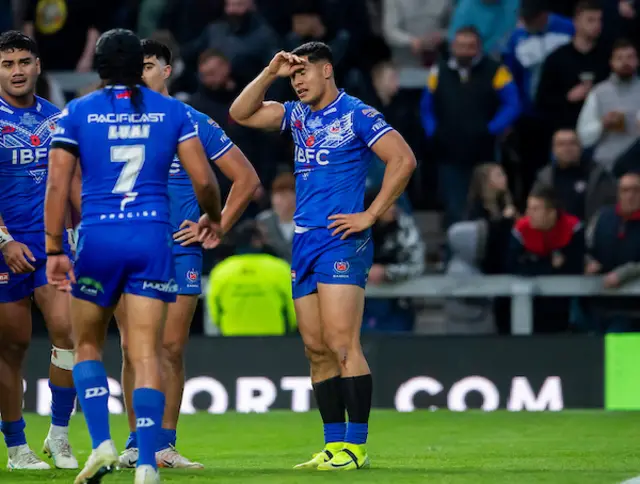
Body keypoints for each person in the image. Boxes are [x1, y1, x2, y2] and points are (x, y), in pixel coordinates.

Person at [45, 28, 223, 484]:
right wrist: (212, 217)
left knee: (88, 344)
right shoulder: (172, 112)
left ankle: (102, 442)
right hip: (152, 241)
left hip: (100, 239)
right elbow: (204, 180)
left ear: (100, 67)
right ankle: (147, 461)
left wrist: (53, 248)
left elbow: (58, 185)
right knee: (147, 354)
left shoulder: (77, 113)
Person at [229, 41, 417, 470]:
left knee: (342, 342)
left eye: (302, 74)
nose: (296, 83)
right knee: (316, 349)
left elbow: (403, 159)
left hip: (340, 240)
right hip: (304, 241)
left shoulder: (358, 114)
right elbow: (240, 113)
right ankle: (333, 446)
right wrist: (270, 71)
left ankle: (356, 446)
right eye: (292, 77)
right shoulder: (297, 116)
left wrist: (370, 214)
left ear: (326, 70)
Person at [116, 38, 259, 470]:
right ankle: (134, 441)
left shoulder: (192, 120)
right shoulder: (113, 122)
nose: (140, 73)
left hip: (181, 250)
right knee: (131, 348)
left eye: (147, 65)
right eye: (133, 67)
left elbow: (246, 179)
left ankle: (163, 443)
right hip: (131, 248)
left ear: (167, 70)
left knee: (171, 347)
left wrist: (214, 224)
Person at [0, 30, 78, 471]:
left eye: (23, 62)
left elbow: (74, 184)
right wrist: (4, 241)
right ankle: (16, 448)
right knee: (11, 347)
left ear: (38, 66)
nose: (17, 71)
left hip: (51, 247)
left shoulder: (58, 120)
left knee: (68, 335)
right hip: (4, 247)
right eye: (8, 64)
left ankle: (60, 436)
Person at [206, 220, 297, 335]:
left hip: (231, 340)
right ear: (257, 241)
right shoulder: (280, 268)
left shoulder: (221, 270)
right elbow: (294, 309)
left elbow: (213, 313)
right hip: (274, 341)